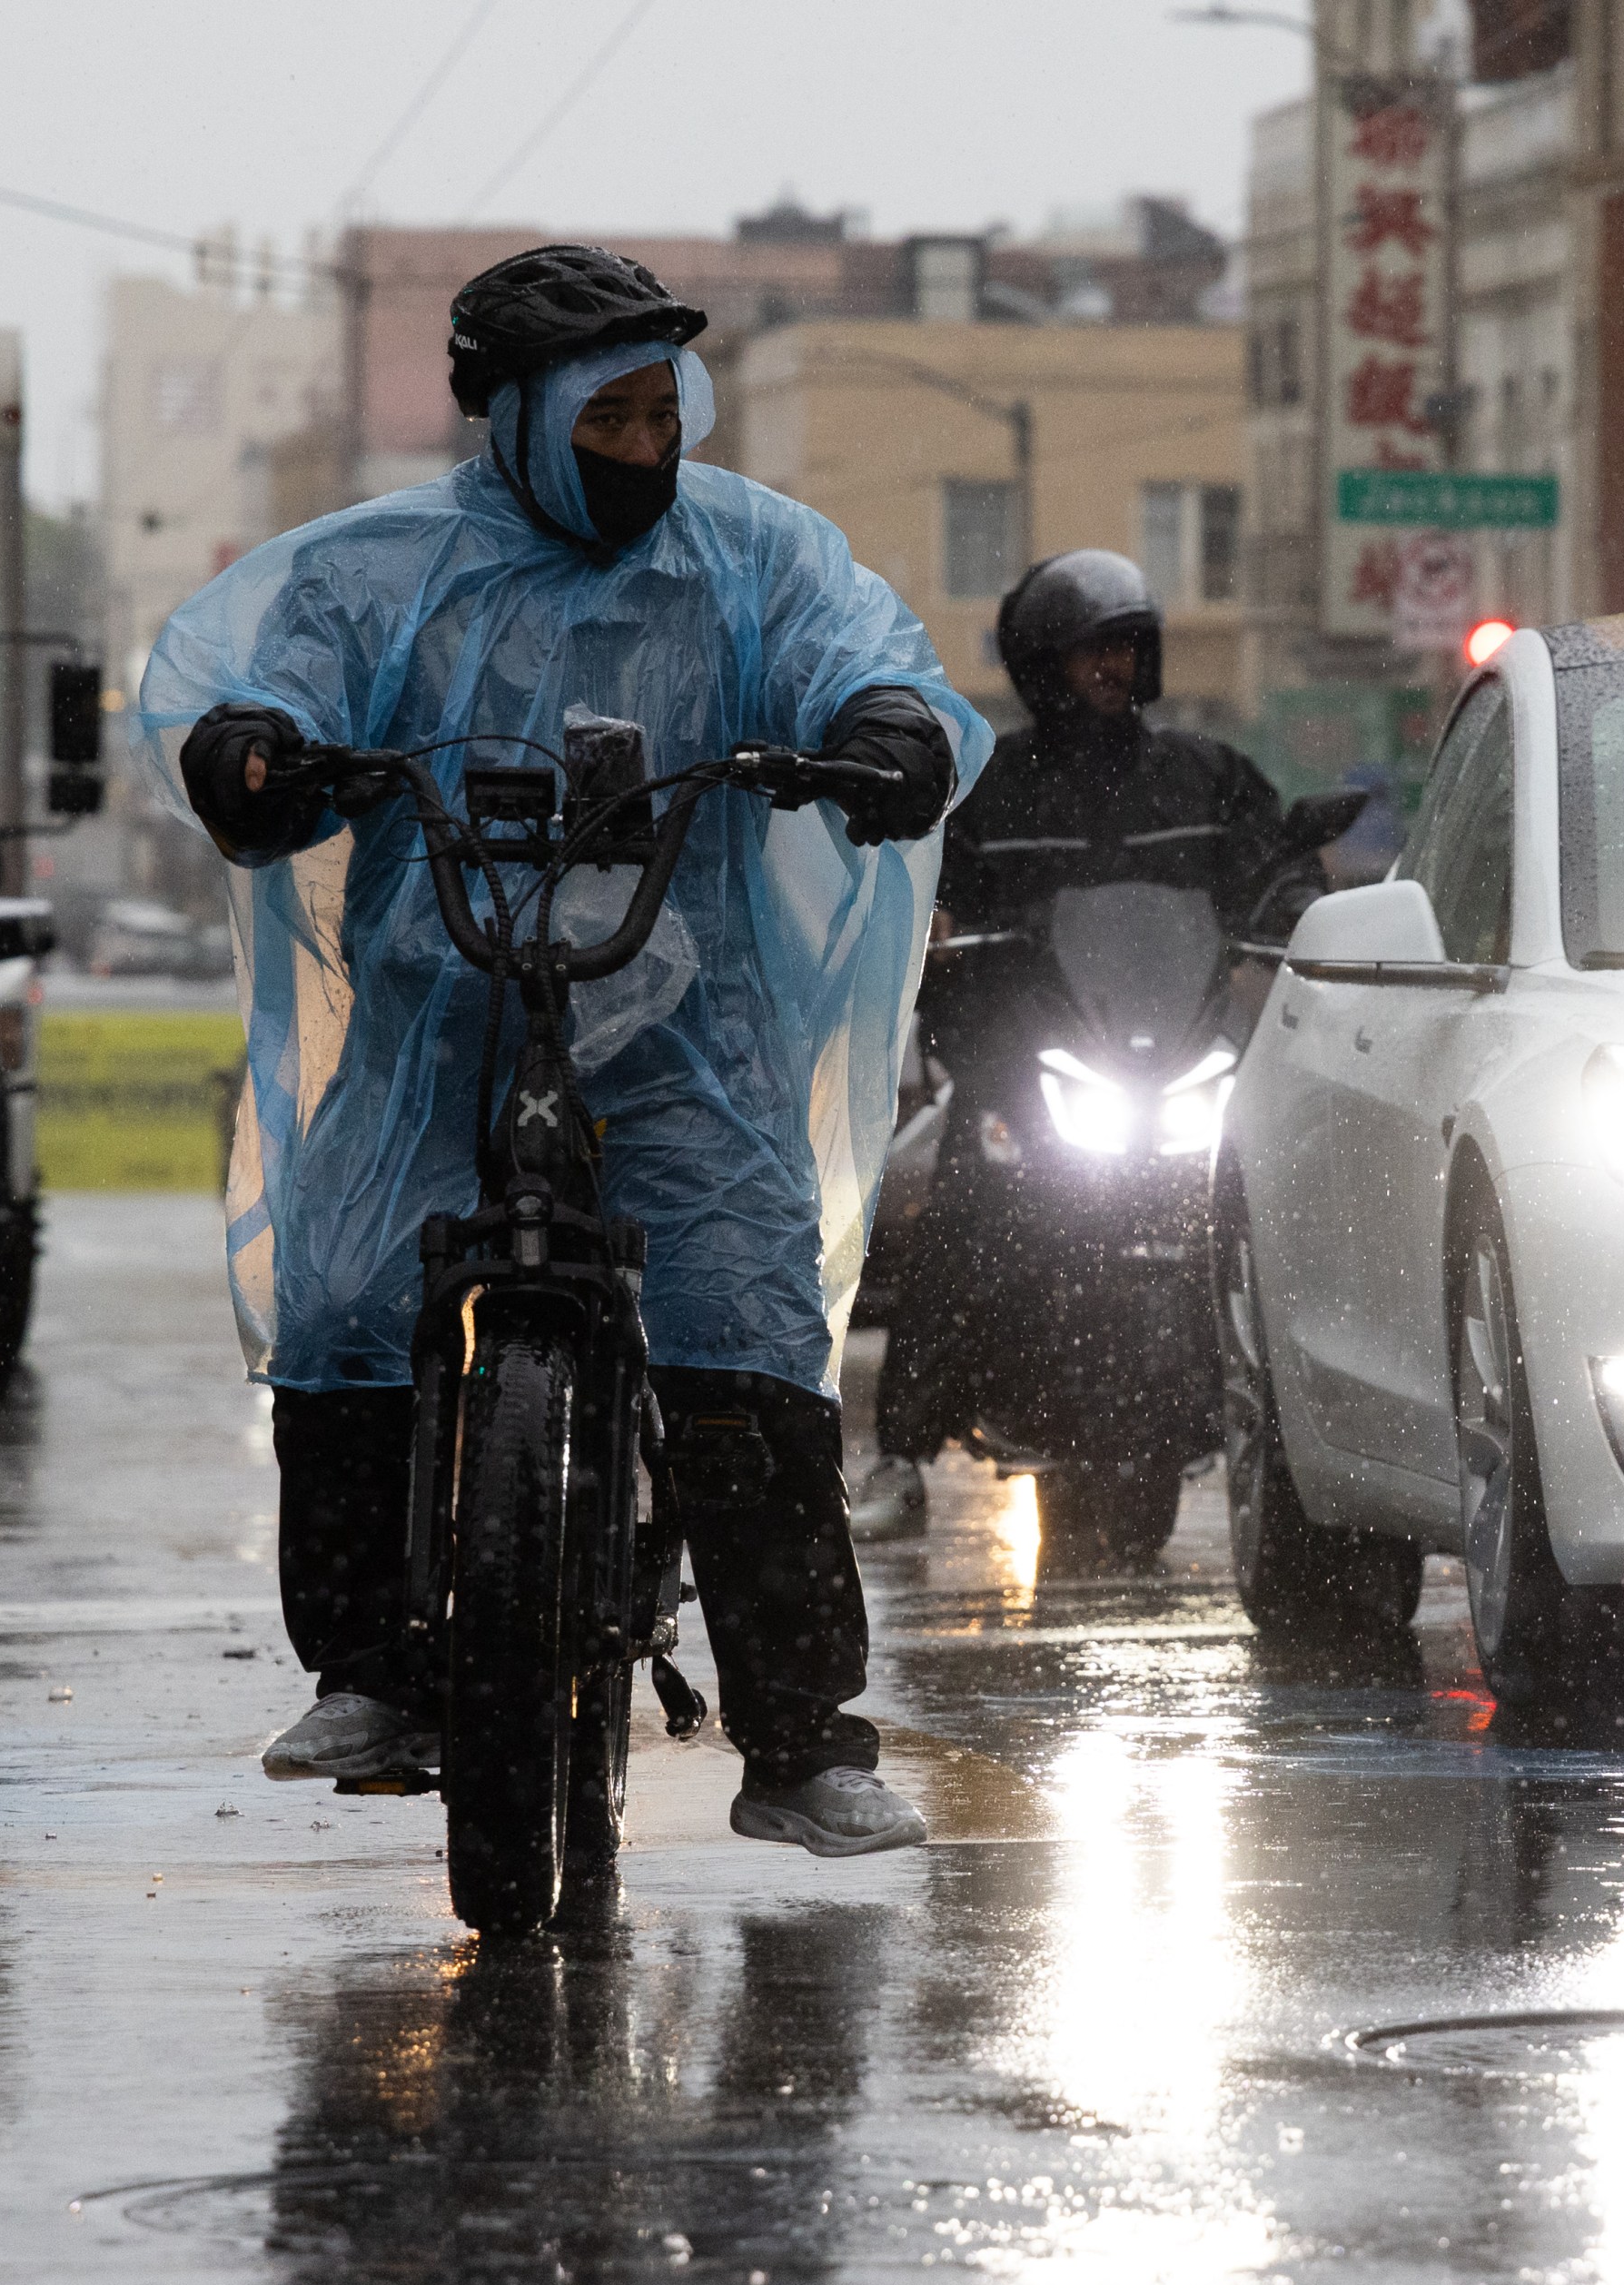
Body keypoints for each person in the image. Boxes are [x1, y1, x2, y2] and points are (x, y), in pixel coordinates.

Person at [141, 244, 987, 1858]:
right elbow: (272, 689)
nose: (648, 448)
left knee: (744, 1326)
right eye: (610, 415)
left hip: (687, 1036)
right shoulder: (374, 574)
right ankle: (374, 1672)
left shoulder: (755, 559)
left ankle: (803, 1738)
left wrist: (888, 732)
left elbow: (865, 653)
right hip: (434, 1022)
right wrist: (251, 749)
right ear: (517, 420)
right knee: (341, 1305)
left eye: (666, 410)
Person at [847, 549, 1310, 1538]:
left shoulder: (1202, 774)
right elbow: (930, 881)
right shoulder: (993, 786)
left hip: (1174, 1054)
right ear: (1040, 662)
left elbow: (1273, 869)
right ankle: (901, 1452)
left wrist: (1302, 909)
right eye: (1092, 651)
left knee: (1286, 1200)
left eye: (1126, 649)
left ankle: (1309, 1433)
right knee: (962, 1213)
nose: (1112, 669)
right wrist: (926, 922)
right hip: (1030, 1066)